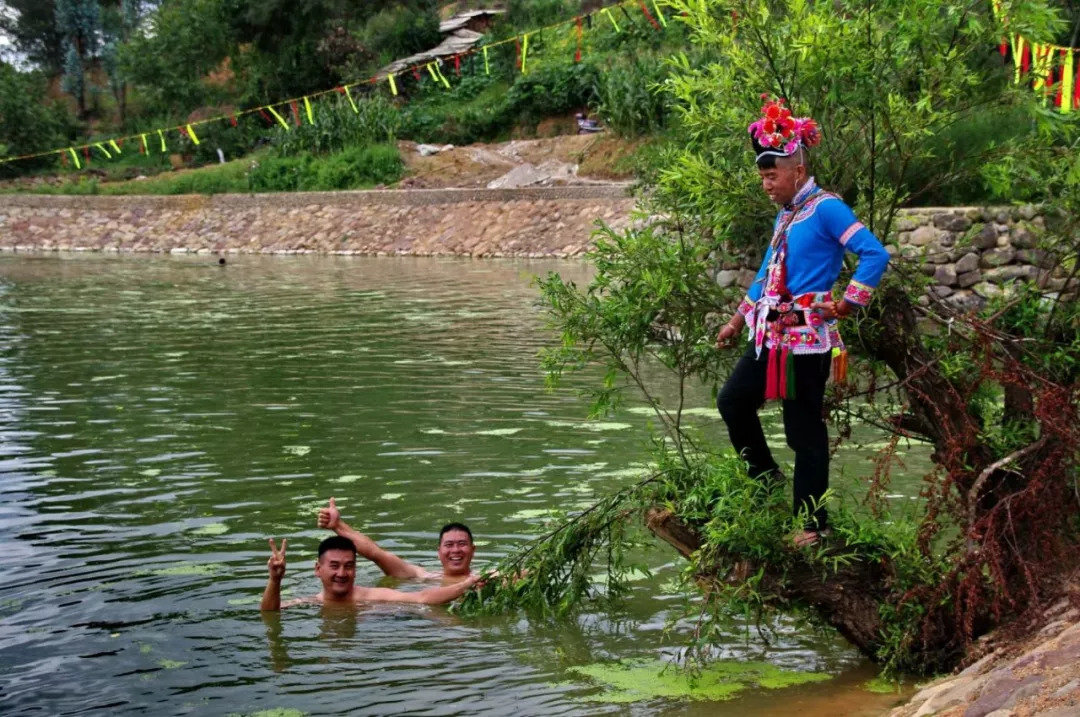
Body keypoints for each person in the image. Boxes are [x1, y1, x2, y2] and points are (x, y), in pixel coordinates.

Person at [714, 97, 890, 547]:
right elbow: (765, 275)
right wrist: (737, 320)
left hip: (807, 339)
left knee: (804, 431)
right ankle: (767, 477)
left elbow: (874, 254)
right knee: (733, 401)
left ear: (797, 167)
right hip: (770, 334)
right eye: (762, 177)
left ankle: (812, 525)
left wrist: (849, 303)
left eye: (772, 175)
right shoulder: (786, 213)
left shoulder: (827, 208)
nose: (766, 184)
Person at [259, 535, 480, 611]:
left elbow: (421, 597)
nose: (342, 573)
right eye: (334, 566)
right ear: (318, 569)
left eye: (349, 566)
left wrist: (465, 585)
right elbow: (270, 613)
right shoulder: (309, 602)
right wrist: (275, 580)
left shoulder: (373, 596)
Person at [317, 497, 476, 583]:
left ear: (473, 550)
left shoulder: (488, 578)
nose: (455, 550)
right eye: (449, 545)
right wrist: (338, 526)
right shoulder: (422, 577)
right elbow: (375, 553)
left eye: (462, 544)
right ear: (439, 552)